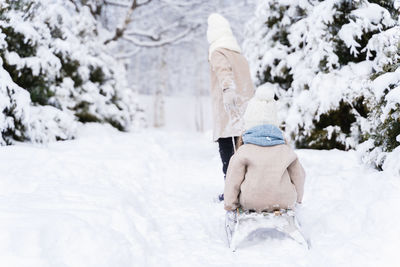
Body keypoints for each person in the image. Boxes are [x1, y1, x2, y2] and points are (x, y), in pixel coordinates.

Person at [224, 83, 306, 212]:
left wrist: (230, 205)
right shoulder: (285, 150)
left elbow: (232, 180)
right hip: (284, 201)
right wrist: (298, 200)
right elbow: (299, 177)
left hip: (251, 202)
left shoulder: (244, 151)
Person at [207, 13, 255, 201]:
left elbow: (223, 72)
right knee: (245, 151)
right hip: (246, 111)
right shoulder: (237, 52)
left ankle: (231, 192)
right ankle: (248, 189)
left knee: (228, 151)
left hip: (228, 110)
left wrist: (227, 89)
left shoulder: (218, 51)